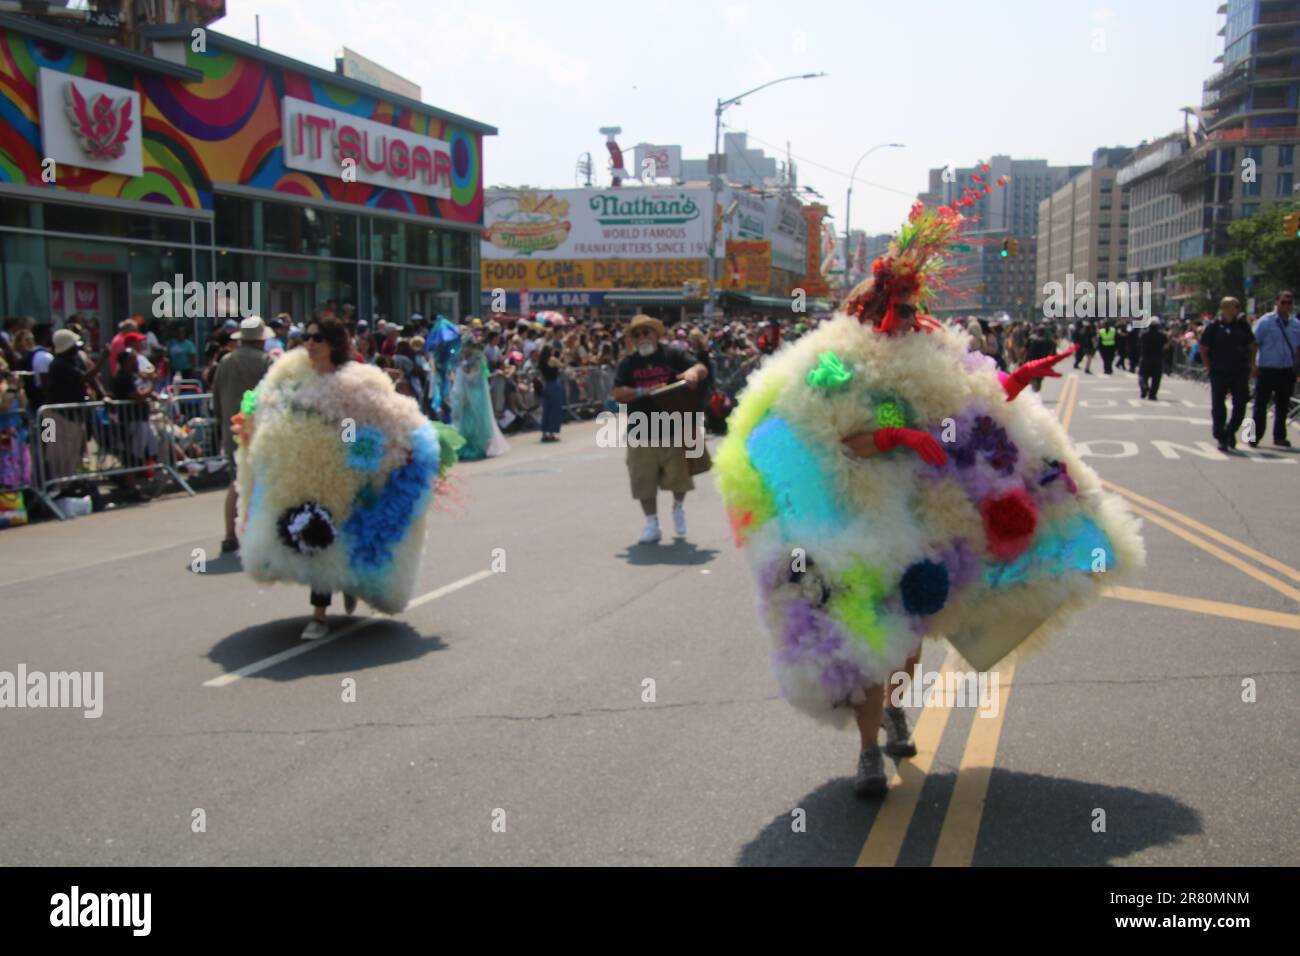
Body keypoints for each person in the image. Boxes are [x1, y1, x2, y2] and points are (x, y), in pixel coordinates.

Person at [715, 197, 1142, 799]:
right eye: (899, 308)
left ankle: (894, 711)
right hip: (859, 522)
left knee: (910, 640)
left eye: (915, 309)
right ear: (868, 309)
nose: (910, 318)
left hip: (925, 521)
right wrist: (893, 435)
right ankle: (868, 753)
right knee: (873, 636)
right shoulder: (834, 363)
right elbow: (827, 441)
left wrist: (1018, 380)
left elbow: (973, 414)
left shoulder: (935, 356)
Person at [232, 315, 463, 641]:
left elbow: (385, 416)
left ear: (333, 345)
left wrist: (372, 448)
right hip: (306, 475)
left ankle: (328, 605)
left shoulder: (356, 381)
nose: (309, 343)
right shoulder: (291, 377)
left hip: (345, 476)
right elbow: (271, 408)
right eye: (307, 337)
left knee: (333, 536)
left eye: (317, 338)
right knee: (315, 536)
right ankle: (321, 611)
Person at [612, 314, 708, 544]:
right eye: (637, 334)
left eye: (646, 332)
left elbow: (700, 367)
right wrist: (642, 392)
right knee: (643, 481)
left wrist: (693, 372)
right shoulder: (628, 363)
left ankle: (678, 508)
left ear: (656, 334)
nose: (642, 337)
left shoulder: (671, 354)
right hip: (641, 430)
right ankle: (652, 523)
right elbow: (617, 393)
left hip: (673, 426)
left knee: (679, 477)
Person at [210, 316, 272, 554]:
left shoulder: (225, 362)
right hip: (260, 431)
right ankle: (259, 536)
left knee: (236, 481)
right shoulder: (266, 362)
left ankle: (228, 535)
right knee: (262, 484)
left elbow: (216, 400)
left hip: (232, 430)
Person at [1200, 296, 1256, 453]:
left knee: (1240, 404)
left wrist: (1252, 364)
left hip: (1239, 371)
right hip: (1219, 371)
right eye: (1235, 306)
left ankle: (1230, 430)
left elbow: (1252, 346)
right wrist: (1209, 367)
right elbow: (1204, 349)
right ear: (1225, 308)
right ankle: (1221, 437)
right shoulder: (1213, 327)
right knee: (1218, 406)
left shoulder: (1243, 326)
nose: (1238, 309)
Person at [1249, 290, 1297, 449]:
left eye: (1289, 303)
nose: (1286, 305)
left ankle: (1279, 436)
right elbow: (1254, 343)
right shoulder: (1265, 321)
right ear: (1276, 302)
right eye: (1283, 302)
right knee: (1261, 405)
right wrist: (1253, 365)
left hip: (1286, 370)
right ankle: (1254, 436)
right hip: (1267, 369)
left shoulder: (1295, 324)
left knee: (1282, 405)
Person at [449, 343, 509, 459]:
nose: (465, 351)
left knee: (477, 422)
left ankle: (478, 447)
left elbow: (473, 378)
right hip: (465, 398)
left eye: (467, 348)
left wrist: (465, 370)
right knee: (465, 423)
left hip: (476, 397)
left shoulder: (477, 361)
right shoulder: (465, 361)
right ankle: (464, 446)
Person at [537, 343, 564, 442]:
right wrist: (560, 357)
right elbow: (562, 365)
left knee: (546, 410)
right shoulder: (552, 359)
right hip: (554, 385)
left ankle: (544, 433)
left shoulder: (541, 362)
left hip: (546, 385)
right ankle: (552, 433)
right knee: (554, 411)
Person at [1138, 318, 1169, 401]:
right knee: (1156, 378)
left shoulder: (1144, 335)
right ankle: (1152, 394)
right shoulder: (1162, 335)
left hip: (1145, 358)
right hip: (1158, 359)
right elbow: (1166, 347)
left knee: (1143, 375)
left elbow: (1140, 344)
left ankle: (1144, 386)